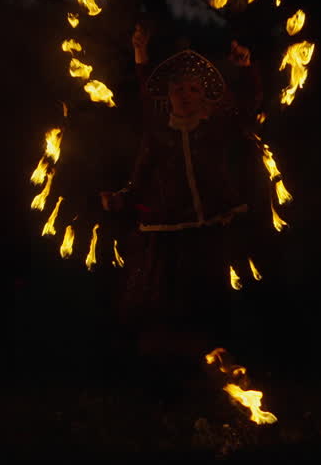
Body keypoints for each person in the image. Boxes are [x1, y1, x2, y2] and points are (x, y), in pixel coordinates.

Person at [100, 22, 264, 401]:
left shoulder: (217, 128)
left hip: (211, 232)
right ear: (167, 97)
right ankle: (165, 387)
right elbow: (139, 177)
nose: (185, 96)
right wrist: (121, 198)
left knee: (210, 309)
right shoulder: (159, 134)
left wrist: (245, 69)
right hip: (167, 235)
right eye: (178, 90)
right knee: (165, 312)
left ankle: (222, 385)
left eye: (193, 89)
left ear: (205, 96)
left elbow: (248, 106)